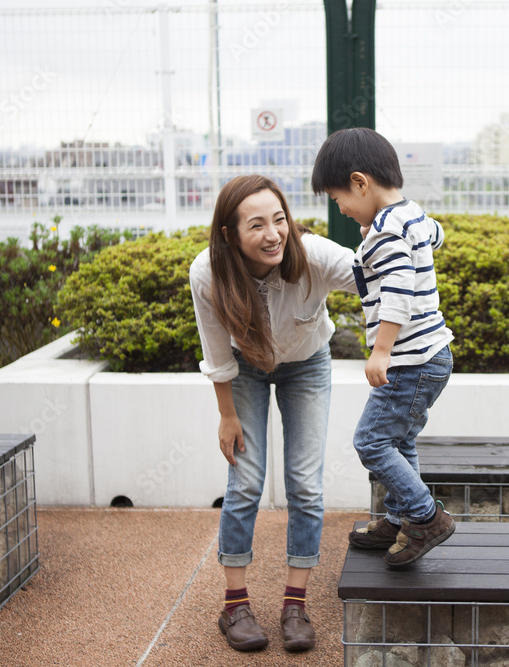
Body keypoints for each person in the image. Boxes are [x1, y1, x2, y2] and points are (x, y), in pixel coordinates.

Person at [189, 174, 356, 653]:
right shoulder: (208, 273)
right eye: (257, 225)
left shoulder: (314, 255)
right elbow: (216, 352)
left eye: (279, 219)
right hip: (245, 369)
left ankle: (294, 603)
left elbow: (375, 273)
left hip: (307, 365)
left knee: (305, 481)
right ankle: (234, 604)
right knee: (246, 481)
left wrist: (405, 230)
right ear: (230, 234)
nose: (273, 234)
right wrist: (226, 416)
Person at [311, 127, 456, 568]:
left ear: (361, 182)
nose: (342, 209)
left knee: (371, 443)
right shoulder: (411, 216)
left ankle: (425, 517)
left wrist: (381, 351)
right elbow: (437, 235)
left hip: (410, 359)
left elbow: (398, 291)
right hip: (431, 356)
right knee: (400, 440)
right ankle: (397, 518)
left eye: (340, 200)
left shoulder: (385, 231)